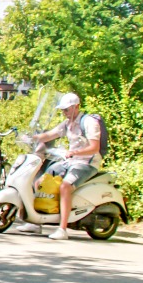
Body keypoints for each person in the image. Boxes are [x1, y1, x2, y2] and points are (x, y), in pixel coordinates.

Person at [32, 91, 104, 240]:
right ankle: (35, 222)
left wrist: (75, 152)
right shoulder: (67, 123)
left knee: (65, 186)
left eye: (66, 109)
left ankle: (62, 229)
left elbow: (94, 148)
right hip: (70, 161)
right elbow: (50, 135)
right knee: (40, 182)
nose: (64, 112)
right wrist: (32, 137)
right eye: (62, 110)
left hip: (86, 163)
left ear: (76, 107)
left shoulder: (89, 122)